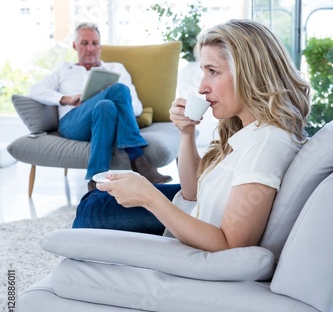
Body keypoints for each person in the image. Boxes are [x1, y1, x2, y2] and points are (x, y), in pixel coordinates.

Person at [72, 19, 311, 252]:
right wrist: (186, 133)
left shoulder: (265, 145)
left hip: (191, 228)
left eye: (213, 72)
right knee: (94, 202)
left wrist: (149, 197)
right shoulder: (248, 129)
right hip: (190, 211)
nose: (202, 88)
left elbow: (230, 246)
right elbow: (192, 192)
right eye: (203, 72)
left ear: (249, 73)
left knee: (91, 210)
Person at [30, 22, 171, 191]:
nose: (90, 48)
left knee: (106, 104)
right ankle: (137, 157)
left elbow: (136, 108)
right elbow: (35, 90)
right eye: (84, 43)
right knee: (116, 90)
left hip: (106, 121)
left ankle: (95, 179)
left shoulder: (115, 69)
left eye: (95, 43)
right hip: (73, 123)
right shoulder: (63, 70)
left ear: (100, 46)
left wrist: (112, 99)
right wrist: (65, 99)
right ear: (75, 46)